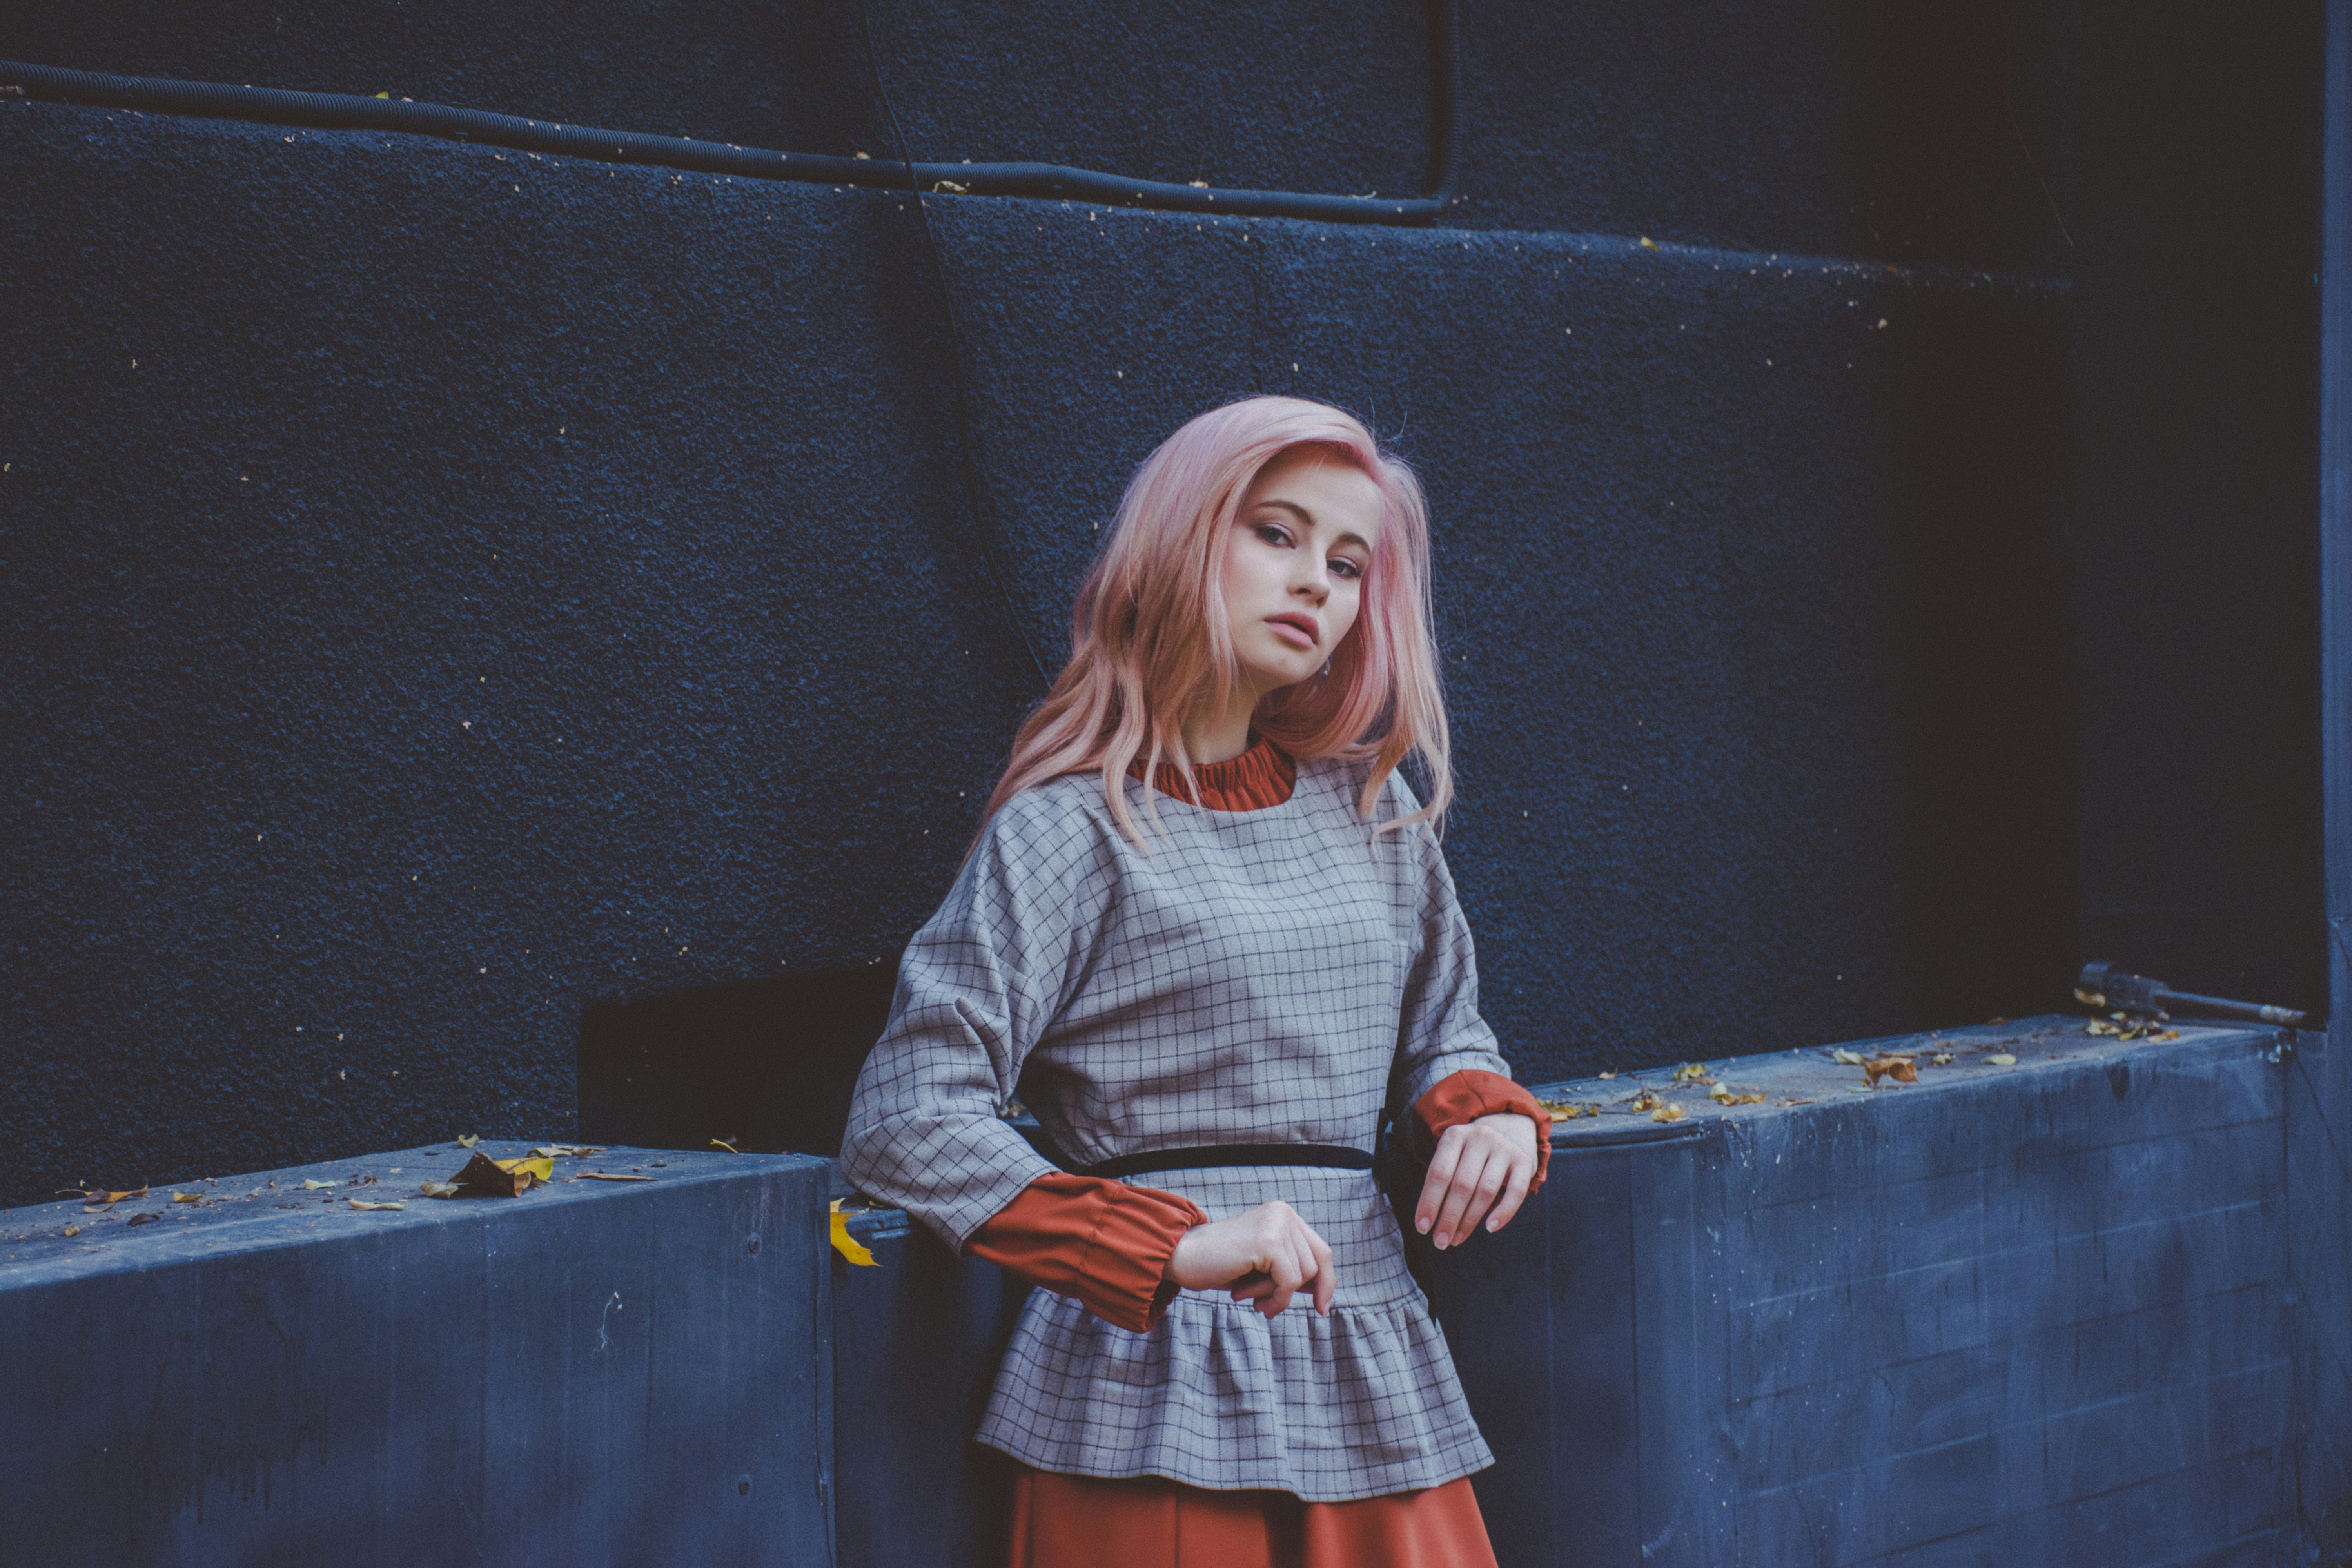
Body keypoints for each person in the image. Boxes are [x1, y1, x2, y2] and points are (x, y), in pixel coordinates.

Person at [840, 395, 1552, 1568]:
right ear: (1182, 540)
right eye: (1275, 534)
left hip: (1372, 1355)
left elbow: (1445, 1038)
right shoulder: (1069, 832)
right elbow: (907, 1119)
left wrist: (1487, 1116)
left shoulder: (1377, 821)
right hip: (1153, 1378)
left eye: (1346, 561)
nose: (1317, 583)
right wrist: (1160, 1247)